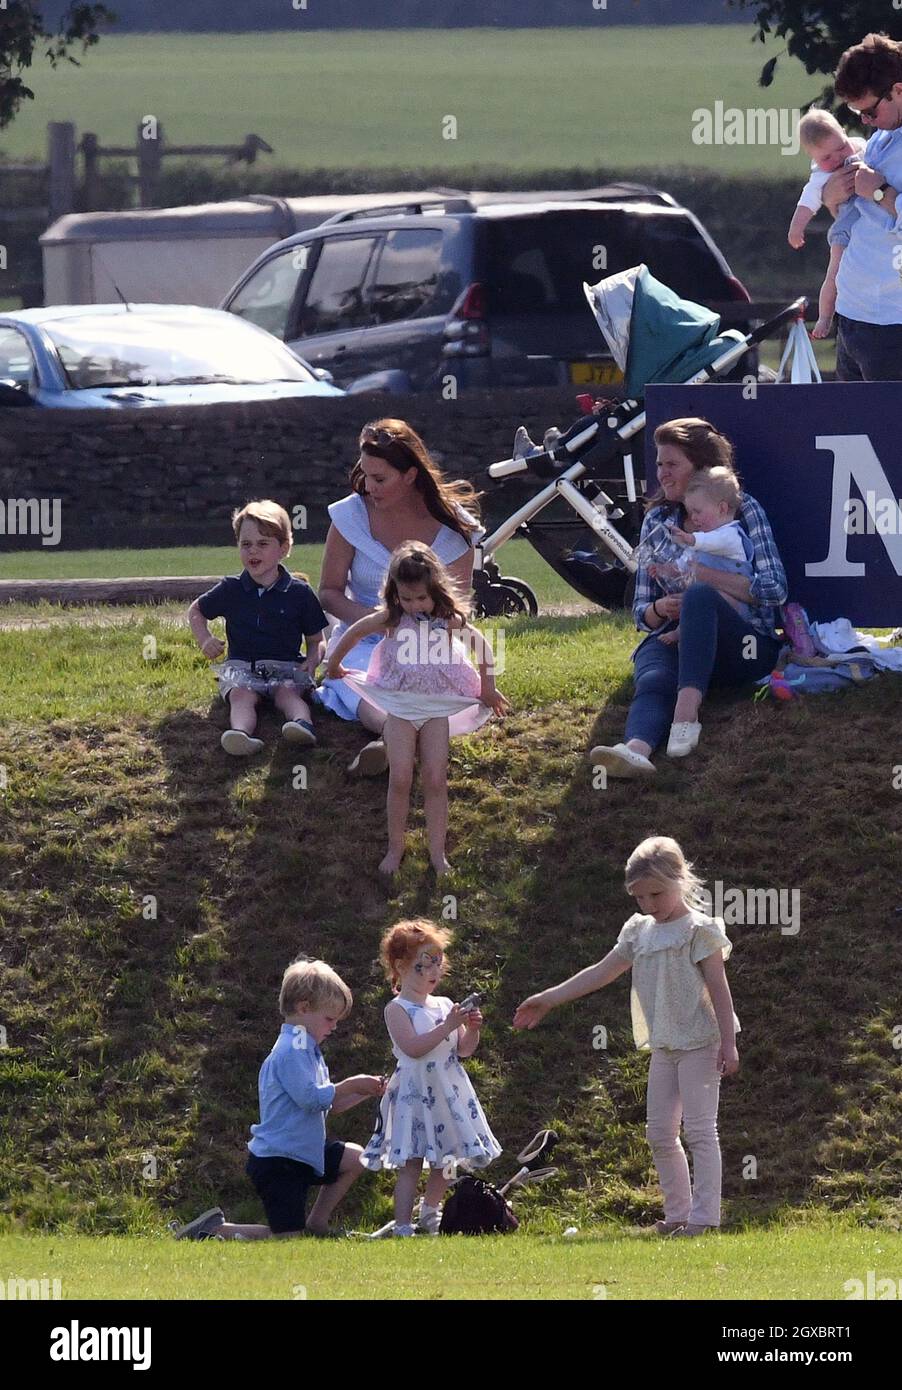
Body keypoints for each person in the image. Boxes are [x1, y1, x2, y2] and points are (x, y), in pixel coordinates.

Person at [514, 836, 739, 1238]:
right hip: (665, 1046)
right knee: (659, 1133)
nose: (649, 904)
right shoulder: (640, 931)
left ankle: (705, 1219)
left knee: (702, 1131)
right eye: (640, 897)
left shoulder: (699, 931)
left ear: (680, 880)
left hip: (701, 1042)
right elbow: (601, 972)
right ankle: (677, 1215)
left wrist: (729, 1042)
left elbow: (719, 990)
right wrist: (549, 999)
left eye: (657, 894)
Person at [589, 417, 786, 773]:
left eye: (672, 464)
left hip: (743, 648)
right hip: (674, 639)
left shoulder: (742, 509)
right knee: (654, 676)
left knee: (699, 596)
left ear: (701, 467)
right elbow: (640, 613)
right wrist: (661, 608)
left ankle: (686, 715)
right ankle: (635, 750)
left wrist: (701, 578)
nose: (662, 473)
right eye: (660, 463)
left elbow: (774, 590)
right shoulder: (658, 520)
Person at [325, 541, 509, 875]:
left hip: (436, 706)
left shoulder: (446, 620)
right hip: (400, 705)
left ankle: (437, 854)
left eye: (421, 598)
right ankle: (395, 849)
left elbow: (482, 646)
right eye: (406, 598)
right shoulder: (392, 619)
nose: (414, 605)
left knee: (436, 778)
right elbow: (354, 632)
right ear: (395, 594)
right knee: (400, 777)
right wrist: (334, 663)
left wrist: (488, 688)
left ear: (435, 591)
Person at [173, 957, 384, 1241]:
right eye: (329, 1018)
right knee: (286, 1240)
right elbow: (311, 1099)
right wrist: (351, 1084)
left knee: (358, 1158)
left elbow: (328, 1104)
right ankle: (216, 1229)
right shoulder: (290, 1050)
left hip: (303, 1152)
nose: (334, 1027)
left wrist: (365, 1092)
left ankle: (317, 1223)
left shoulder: (309, 1050)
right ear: (304, 1008)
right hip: (280, 1161)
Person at [317, 419, 481, 776]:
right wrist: (378, 622)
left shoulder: (455, 529)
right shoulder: (350, 515)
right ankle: (390, 735)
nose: (369, 487)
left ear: (409, 476)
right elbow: (328, 593)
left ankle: (397, 745)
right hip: (363, 639)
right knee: (361, 684)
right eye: (365, 475)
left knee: (438, 696)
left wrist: (416, 632)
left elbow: (457, 609)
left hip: (428, 644)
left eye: (380, 479)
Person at [361, 920, 500, 1238]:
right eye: (425, 963)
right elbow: (413, 1048)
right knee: (412, 1162)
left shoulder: (445, 1005)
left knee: (448, 1158)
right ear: (401, 966)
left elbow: (463, 1051)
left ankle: (429, 1212)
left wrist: (472, 1029)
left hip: (447, 1090)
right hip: (414, 1093)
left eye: (438, 961)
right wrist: (448, 1026)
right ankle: (402, 1225)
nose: (435, 971)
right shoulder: (397, 1009)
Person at [188, 500, 327, 756]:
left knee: (287, 694)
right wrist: (205, 639)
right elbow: (196, 610)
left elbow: (317, 639)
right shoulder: (231, 589)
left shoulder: (299, 593)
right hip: (243, 667)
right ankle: (240, 735)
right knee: (241, 695)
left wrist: (312, 660)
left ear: (283, 548)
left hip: (285, 665)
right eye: (246, 544)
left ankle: (301, 726)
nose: (253, 552)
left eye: (263, 544)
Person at [818, 33, 902, 379]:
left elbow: (877, 198)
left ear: (898, 90)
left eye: (870, 110)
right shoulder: (884, 134)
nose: (864, 121)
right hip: (853, 317)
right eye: (858, 113)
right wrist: (832, 198)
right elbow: (858, 217)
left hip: (891, 325)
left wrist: (881, 192)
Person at [785, 110, 866, 339]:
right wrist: (796, 228)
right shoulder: (821, 175)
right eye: (826, 158)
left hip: (873, 225)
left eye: (841, 148)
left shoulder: (865, 148)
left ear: (844, 132)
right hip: (846, 229)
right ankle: (825, 317)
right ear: (814, 158)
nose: (837, 158)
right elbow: (807, 202)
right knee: (834, 274)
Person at [661, 467, 757, 644]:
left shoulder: (730, 535)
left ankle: (684, 633)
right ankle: (682, 632)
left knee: (704, 599)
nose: (694, 518)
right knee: (694, 600)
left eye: (698, 512)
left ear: (722, 508)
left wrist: (689, 538)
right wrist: (667, 570)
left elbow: (712, 542)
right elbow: (687, 562)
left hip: (737, 604)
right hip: (709, 600)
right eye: (691, 513)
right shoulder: (703, 537)